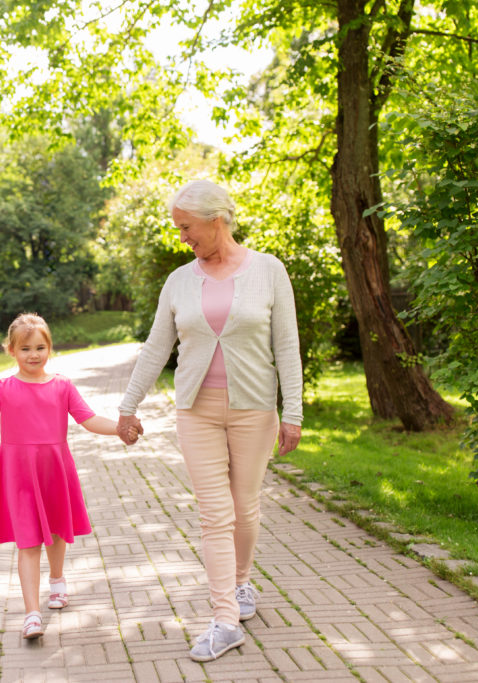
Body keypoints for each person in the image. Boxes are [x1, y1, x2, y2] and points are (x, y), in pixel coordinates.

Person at [116, 179, 302, 663]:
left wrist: (294, 413)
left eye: (186, 227)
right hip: (195, 411)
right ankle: (224, 619)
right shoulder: (179, 280)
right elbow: (157, 347)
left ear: (215, 220)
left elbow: (287, 347)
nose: (181, 237)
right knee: (214, 513)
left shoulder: (268, 271)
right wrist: (127, 406)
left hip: (255, 410)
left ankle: (241, 584)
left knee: (245, 506)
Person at [0, 313, 132, 639]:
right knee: (29, 540)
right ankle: (32, 613)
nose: (33, 355)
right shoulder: (3, 389)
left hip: (55, 469)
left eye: (40, 347)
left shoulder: (63, 386)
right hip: (19, 474)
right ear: (11, 350)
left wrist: (119, 429)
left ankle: (58, 580)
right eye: (25, 349)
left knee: (59, 530)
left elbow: (89, 419)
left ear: (50, 348)